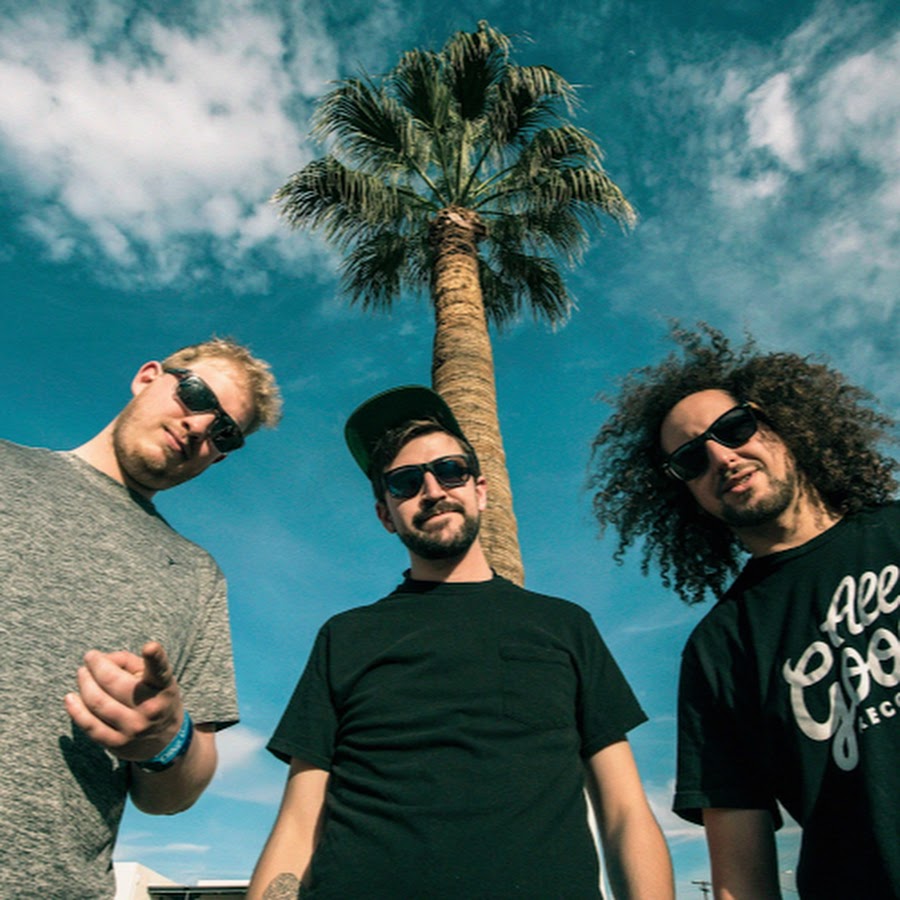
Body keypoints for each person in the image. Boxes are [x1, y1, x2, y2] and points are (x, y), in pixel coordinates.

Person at [249, 385, 673, 899]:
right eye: (405, 482)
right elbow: (298, 822)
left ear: (480, 490)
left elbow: (625, 811)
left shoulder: (564, 625)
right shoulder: (345, 636)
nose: (432, 490)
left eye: (450, 471)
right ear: (385, 515)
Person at [588, 324, 899, 898]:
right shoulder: (719, 648)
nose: (721, 457)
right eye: (690, 460)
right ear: (683, 491)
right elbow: (740, 877)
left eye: (734, 429)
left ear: (779, 423)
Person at [0, 337, 282, 896]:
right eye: (195, 394)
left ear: (221, 456)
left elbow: (175, 795)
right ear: (148, 376)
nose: (200, 426)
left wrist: (166, 741)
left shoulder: (197, 577)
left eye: (225, 432)